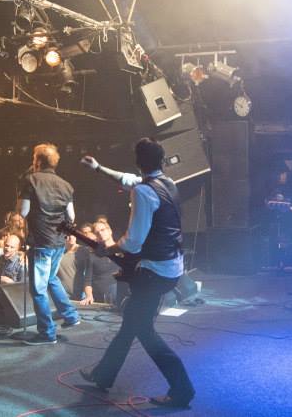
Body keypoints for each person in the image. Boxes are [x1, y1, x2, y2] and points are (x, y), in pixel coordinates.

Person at [78, 138, 195, 408]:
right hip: (172, 266)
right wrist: (98, 168)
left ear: (138, 161)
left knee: (143, 329)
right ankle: (103, 375)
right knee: (131, 321)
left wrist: (109, 249)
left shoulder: (144, 192)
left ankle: (182, 390)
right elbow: (128, 179)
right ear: (161, 161)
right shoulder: (167, 183)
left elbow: (134, 242)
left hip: (155, 271)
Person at [19, 143, 81, 345]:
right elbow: (71, 216)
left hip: (41, 242)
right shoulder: (66, 184)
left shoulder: (30, 181)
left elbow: (23, 212)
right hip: (58, 242)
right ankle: (71, 316)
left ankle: (47, 333)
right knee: (51, 278)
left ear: (37, 160)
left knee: (38, 289)